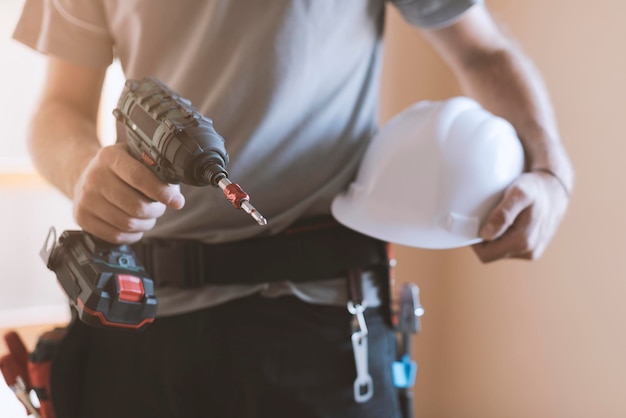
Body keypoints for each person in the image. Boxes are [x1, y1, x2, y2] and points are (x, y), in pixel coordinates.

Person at [13, 0, 573, 417]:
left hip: (322, 327)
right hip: (136, 318)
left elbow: (481, 48)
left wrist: (551, 173)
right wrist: (83, 169)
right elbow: (59, 108)